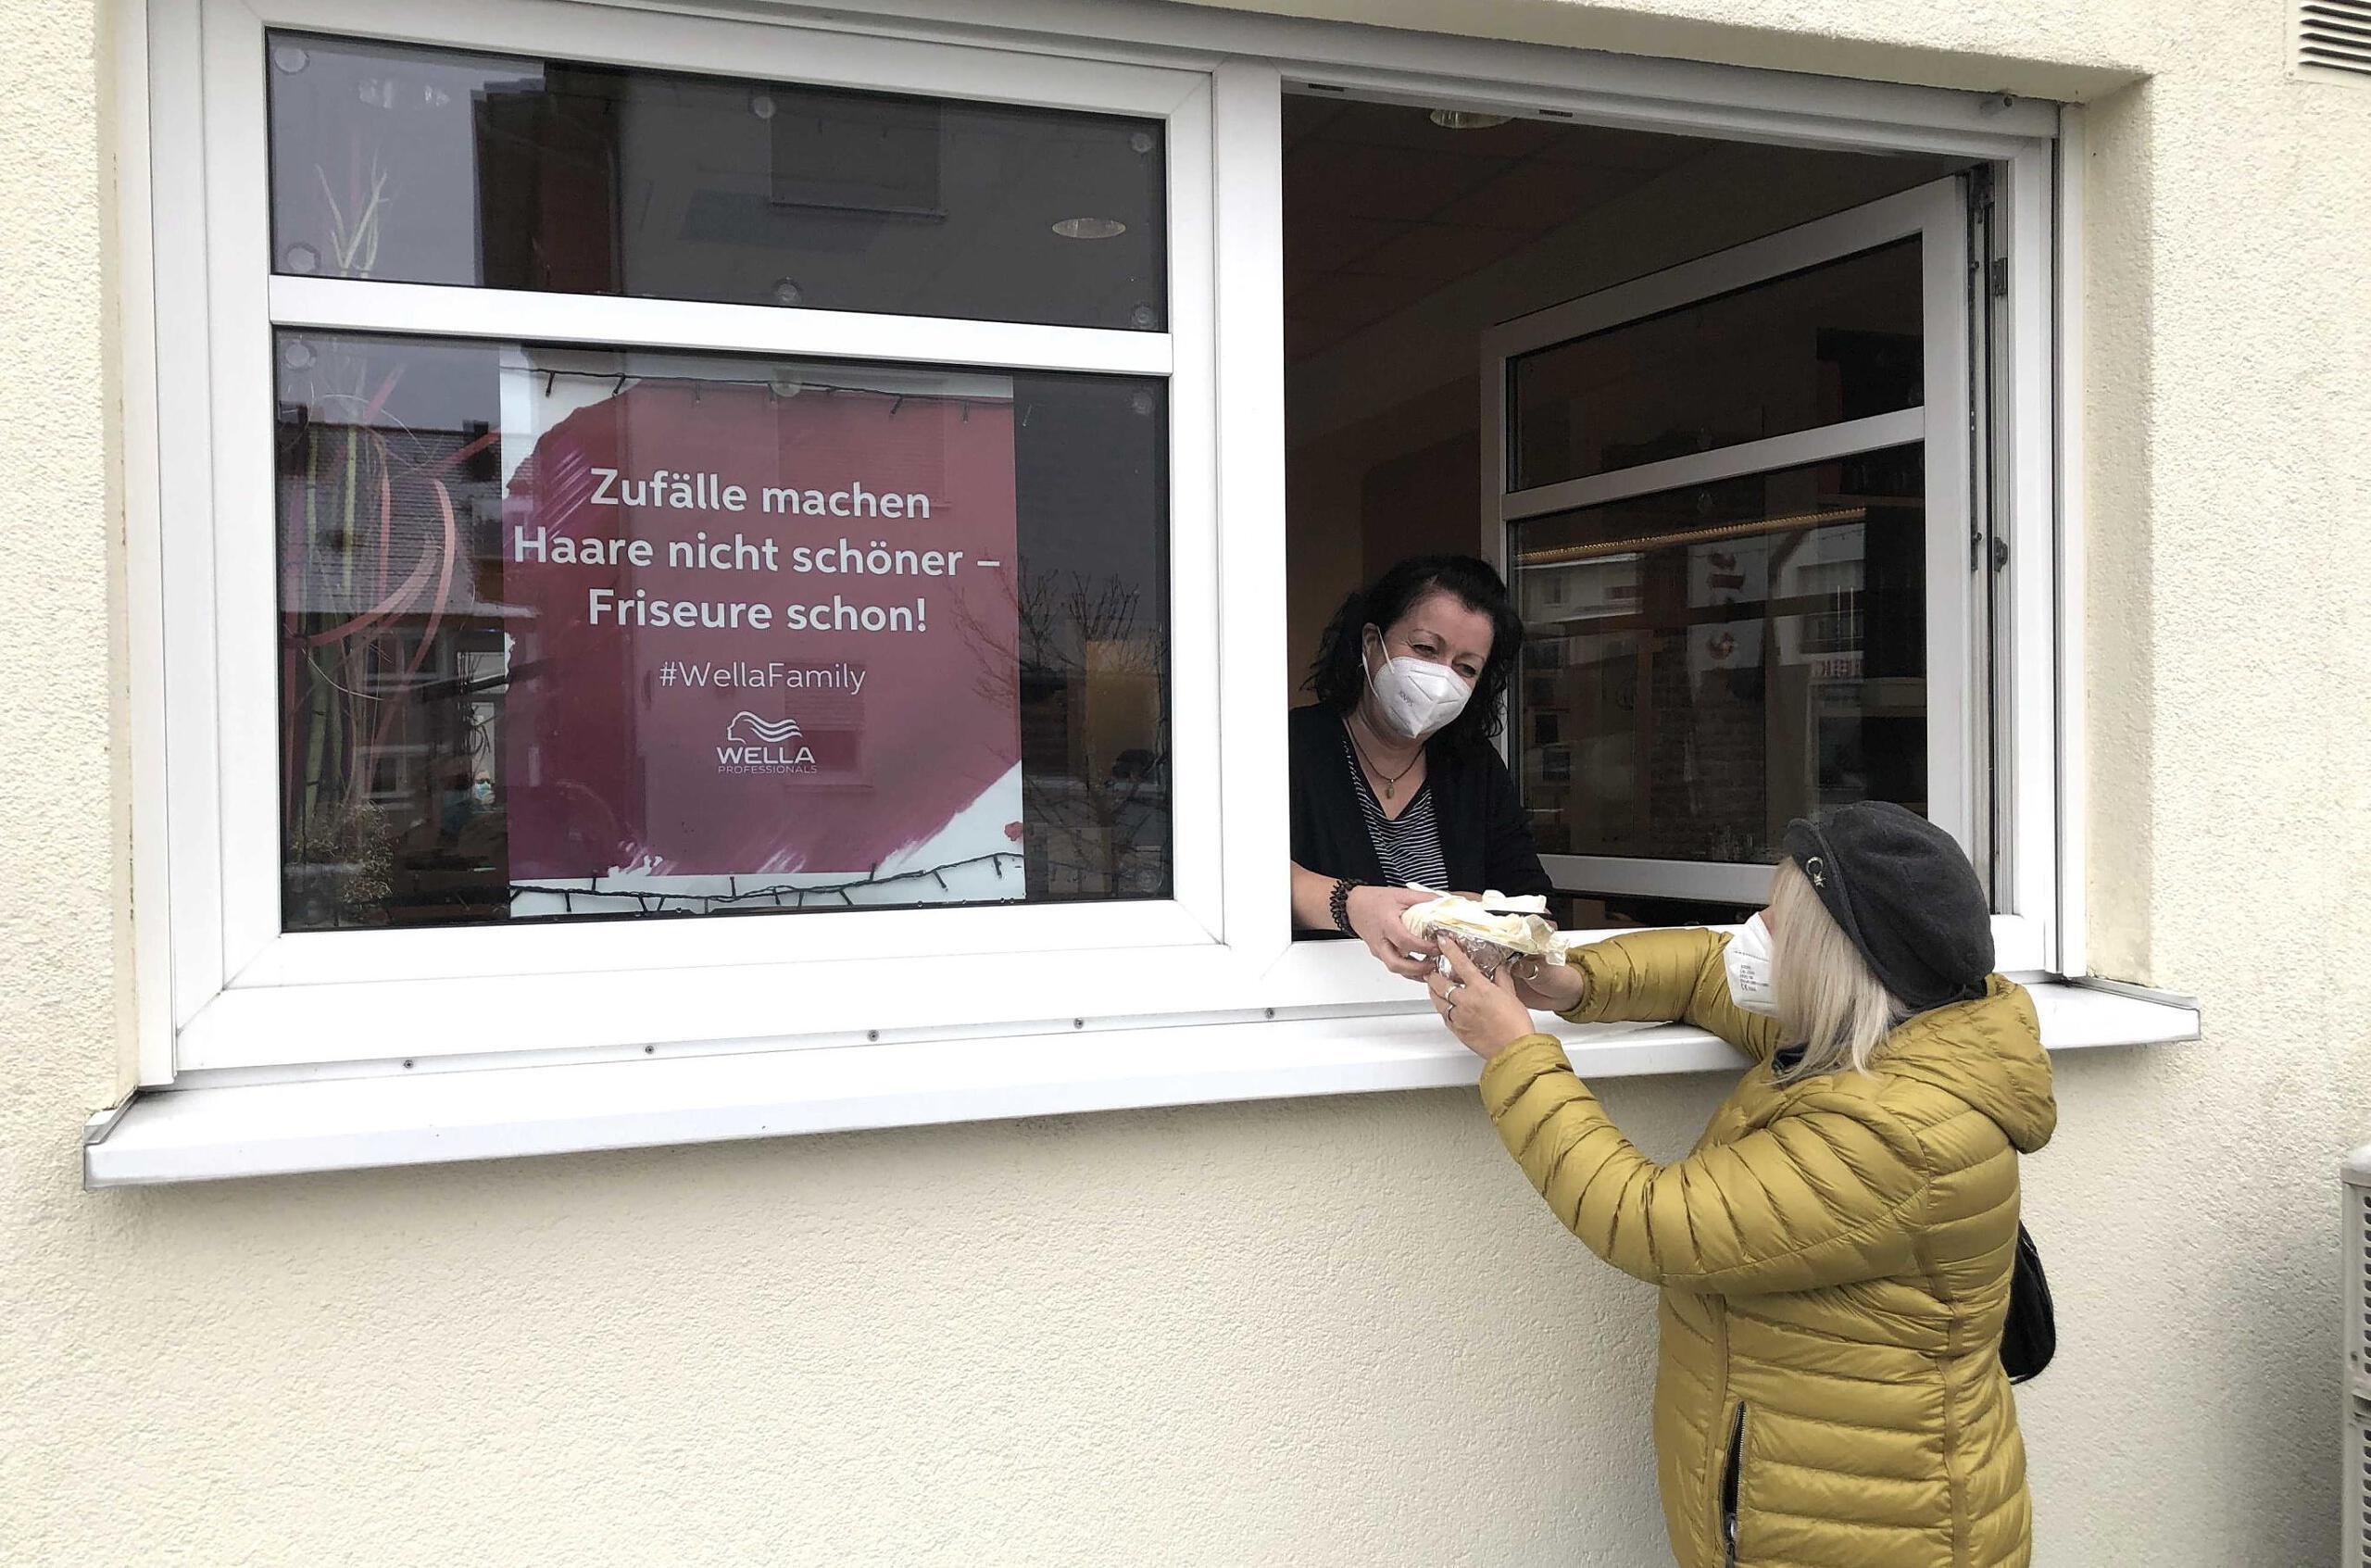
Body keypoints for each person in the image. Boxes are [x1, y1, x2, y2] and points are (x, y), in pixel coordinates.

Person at [1428, 801, 2055, 1568]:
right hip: (1820, 1503)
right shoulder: (1886, 1034)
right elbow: (1705, 972)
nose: (1754, 930)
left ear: (1835, 961)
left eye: (1778, 918)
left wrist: (1513, 1052)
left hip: (1878, 1532)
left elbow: (1652, 1221)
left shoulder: (1898, 1133)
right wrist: (1567, 981)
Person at [1290, 554, 1550, 979]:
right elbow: (1243, 877)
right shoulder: (1290, 747)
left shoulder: (1474, 767)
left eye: (1465, 668)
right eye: (1426, 649)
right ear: (1372, 644)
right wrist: (1351, 905)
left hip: (1454, 1013)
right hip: (1316, 1008)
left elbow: (1535, 906)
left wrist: (1473, 912)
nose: (1440, 677)